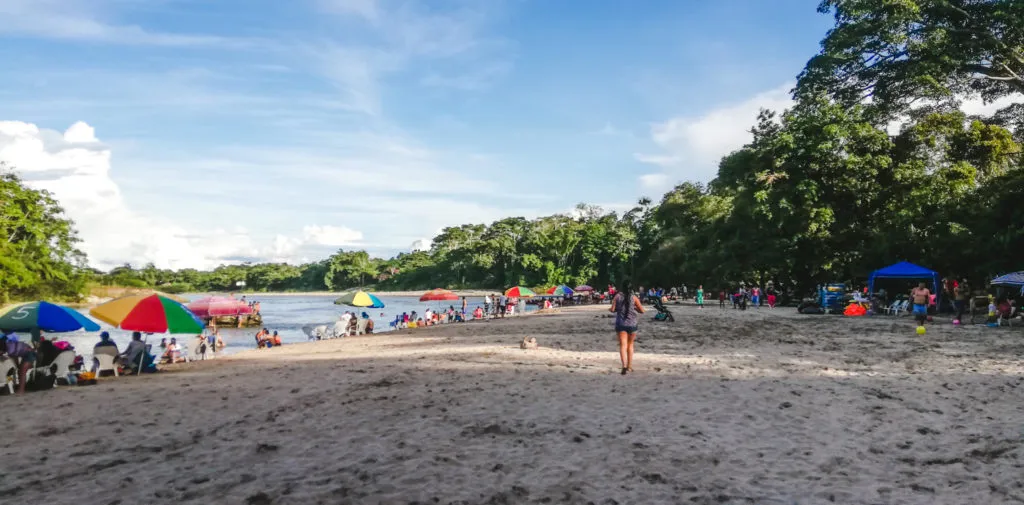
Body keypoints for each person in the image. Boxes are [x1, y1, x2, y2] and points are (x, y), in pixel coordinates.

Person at [610, 281, 645, 375]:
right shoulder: (634, 298)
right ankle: (629, 366)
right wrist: (634, 308)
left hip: (621, 324)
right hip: (632, 324)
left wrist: (616, 309)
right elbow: (642, 311)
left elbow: (612, 310)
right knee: (630, 345)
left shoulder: (617, 296)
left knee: (622, 345)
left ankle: (624, 366)